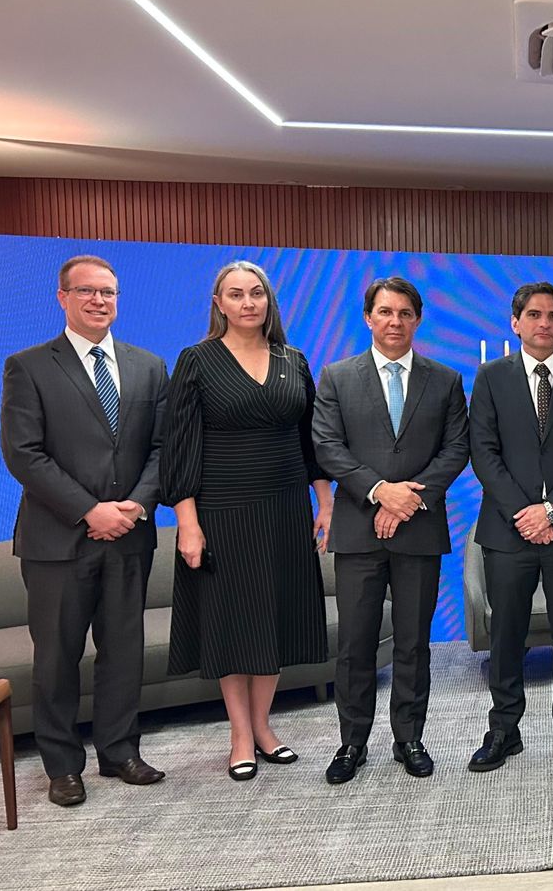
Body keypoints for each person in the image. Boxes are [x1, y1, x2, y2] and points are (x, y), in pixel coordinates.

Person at [0, 254, 169, 806]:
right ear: (63, 297)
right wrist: (90, 511)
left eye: (108, 292)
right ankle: (62, 766)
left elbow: (164, 448)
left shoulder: (148, 366)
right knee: (56, 658)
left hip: (130, 536)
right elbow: (24, 454)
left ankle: (120, 752)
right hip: (58, 540)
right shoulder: (28, 366)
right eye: (87, 291)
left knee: (123, 651)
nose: (100, 301)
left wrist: (135, 507)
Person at [161, 261, 333, 781]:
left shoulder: (292, 360)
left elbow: (310, 439)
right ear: (219, 303)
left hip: (285, 509)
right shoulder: (196, 360)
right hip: (223, 510)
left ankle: (262, 726)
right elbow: (180, 448)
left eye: (256, 293)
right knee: (234, 621)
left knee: (273, 618)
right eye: (236, 294)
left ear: (268, 301)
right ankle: (239, 734)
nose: (248, 302)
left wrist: (325, 503)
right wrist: (188, 524)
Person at [312, 277, 470, 783]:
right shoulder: (337, 376)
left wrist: (409, 500)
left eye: (404, 313)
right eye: (385, 312)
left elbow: (456, 449)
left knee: (413, 642)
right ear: (368, 317)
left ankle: (410, 737)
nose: (394, 321)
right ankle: (351, 743)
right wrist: (381, 492)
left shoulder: (445, 379)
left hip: (419, 529)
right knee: (355, 644)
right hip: (359, 530)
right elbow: (327, 446)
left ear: (418, 319)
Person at [467, 281, 553, 772]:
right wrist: (525, 514)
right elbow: (483, 452)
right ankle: (503, 730)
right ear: (515, 322)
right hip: (508, 530)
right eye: (534, 314)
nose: (544, 323)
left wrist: (551, 511)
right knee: (507, 634)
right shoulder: (491, 376)